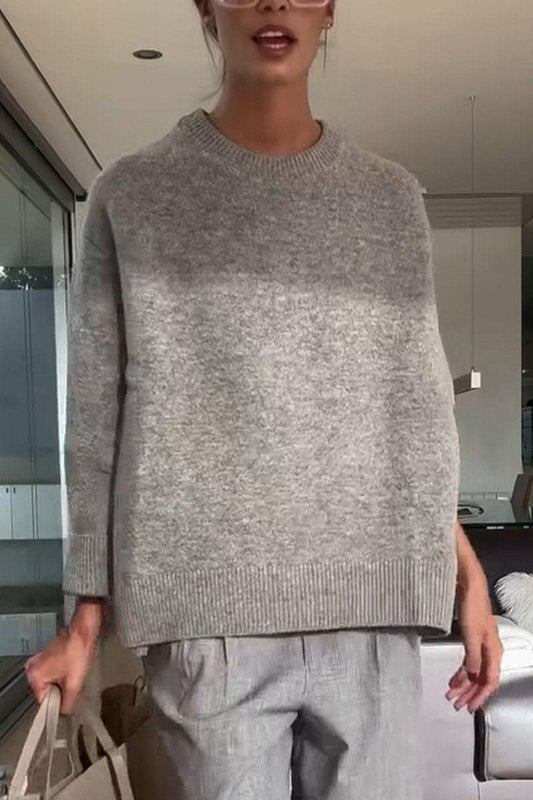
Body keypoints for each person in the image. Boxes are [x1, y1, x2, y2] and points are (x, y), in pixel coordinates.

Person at [25, 1, 503, 797]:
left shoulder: (388, 199)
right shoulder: (133, 195)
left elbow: (413, 413)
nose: (274, 3)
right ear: (206, 7)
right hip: (206, 620)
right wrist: (85, 615)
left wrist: (468, 581)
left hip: (369, 613)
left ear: (328, 10)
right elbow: (96, 420)